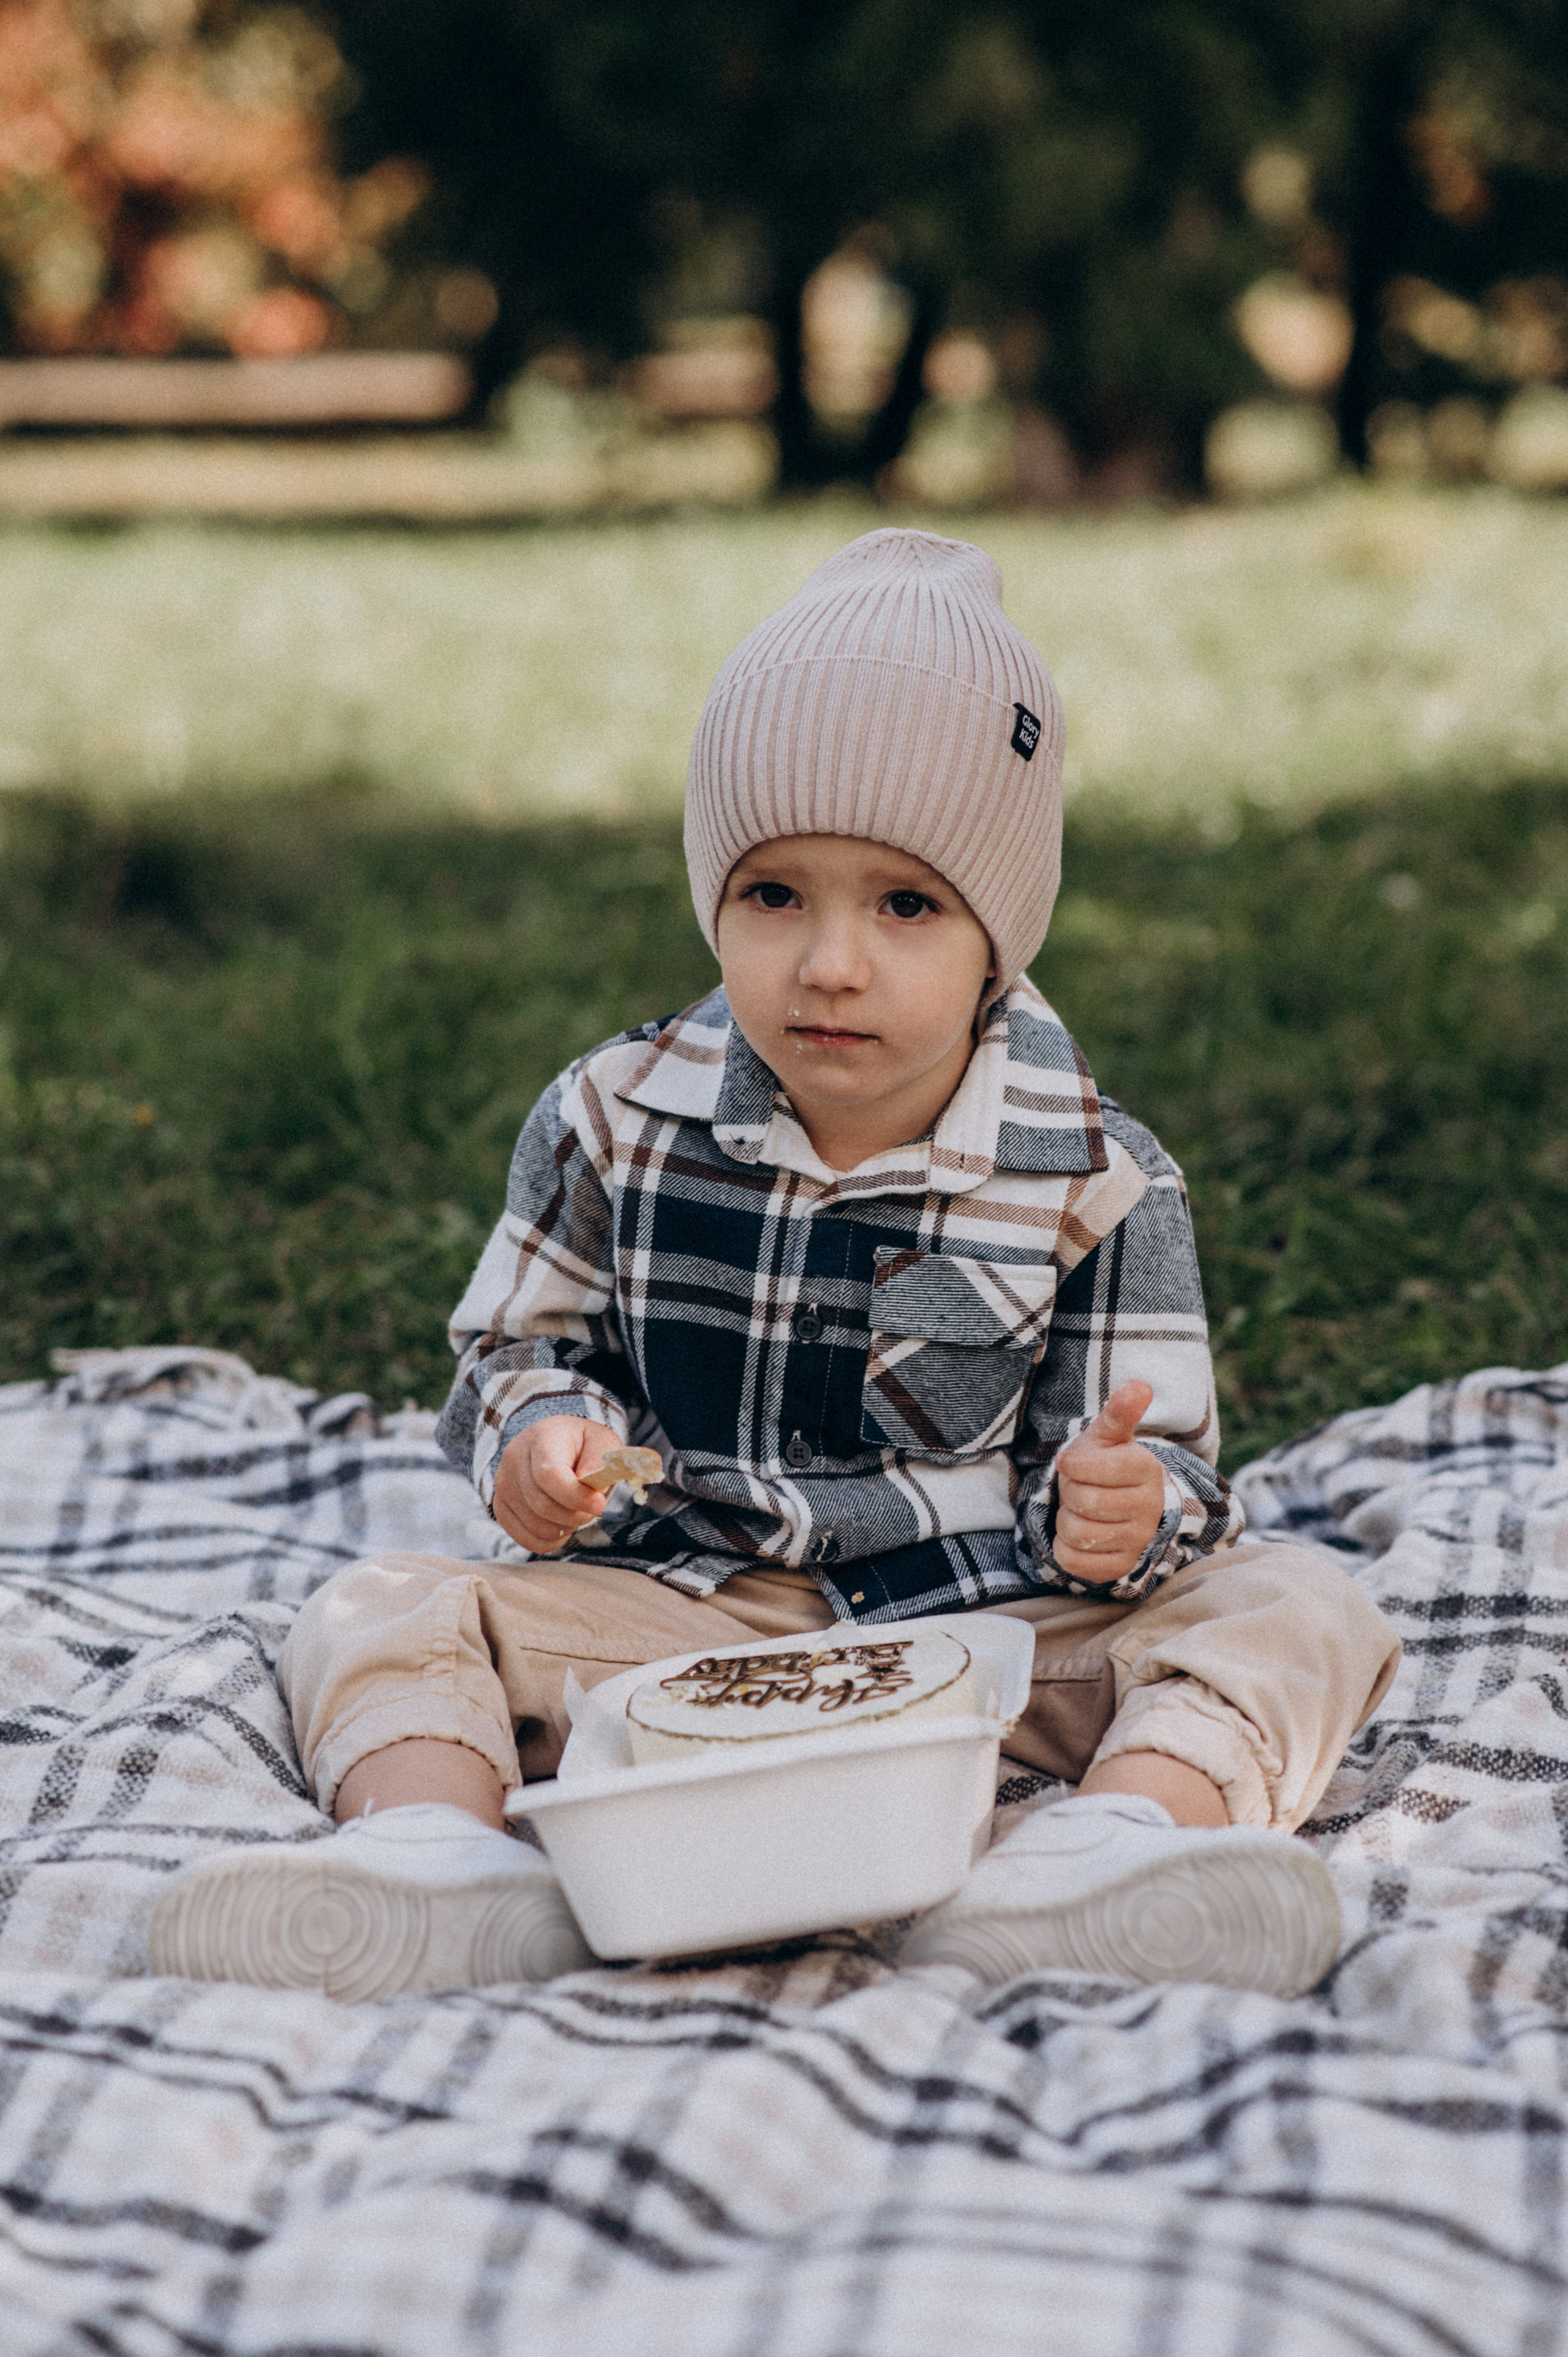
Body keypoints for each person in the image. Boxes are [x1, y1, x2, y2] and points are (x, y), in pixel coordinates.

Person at [151, 529, 1400, 2003]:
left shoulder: (1095, 1174)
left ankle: (1112, 1850)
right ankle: (438, 1857)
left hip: (985, 1639)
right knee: (376, 1606)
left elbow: (1169, 1475)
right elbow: (515, 1346)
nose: (829, 963)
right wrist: (536, 1439)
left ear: (998, 935)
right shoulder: (611, 1118)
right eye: (773, 895)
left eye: (905, 905)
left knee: (1299, 1609)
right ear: (712, 898)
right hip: (676, 1624)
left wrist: (1124, 1513)